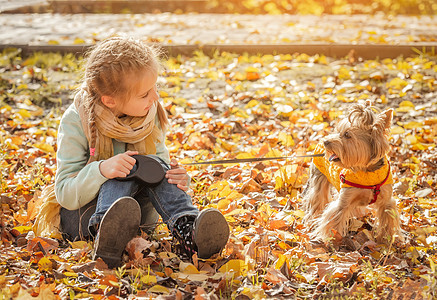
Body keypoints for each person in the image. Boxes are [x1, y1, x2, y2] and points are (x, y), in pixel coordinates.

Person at [54, 36, 229, 268]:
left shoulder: (148, 114)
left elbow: (160, 165)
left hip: (139, 216)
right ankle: (106, 234)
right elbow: (64, 192)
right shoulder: (77, 120)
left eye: (154, 88)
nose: (155, 97)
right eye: (145, 94)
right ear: (110, 101)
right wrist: (101, 170)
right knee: (125, 168)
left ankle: (189, 232)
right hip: (84, 217)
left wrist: (178, 178)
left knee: (152, 165)